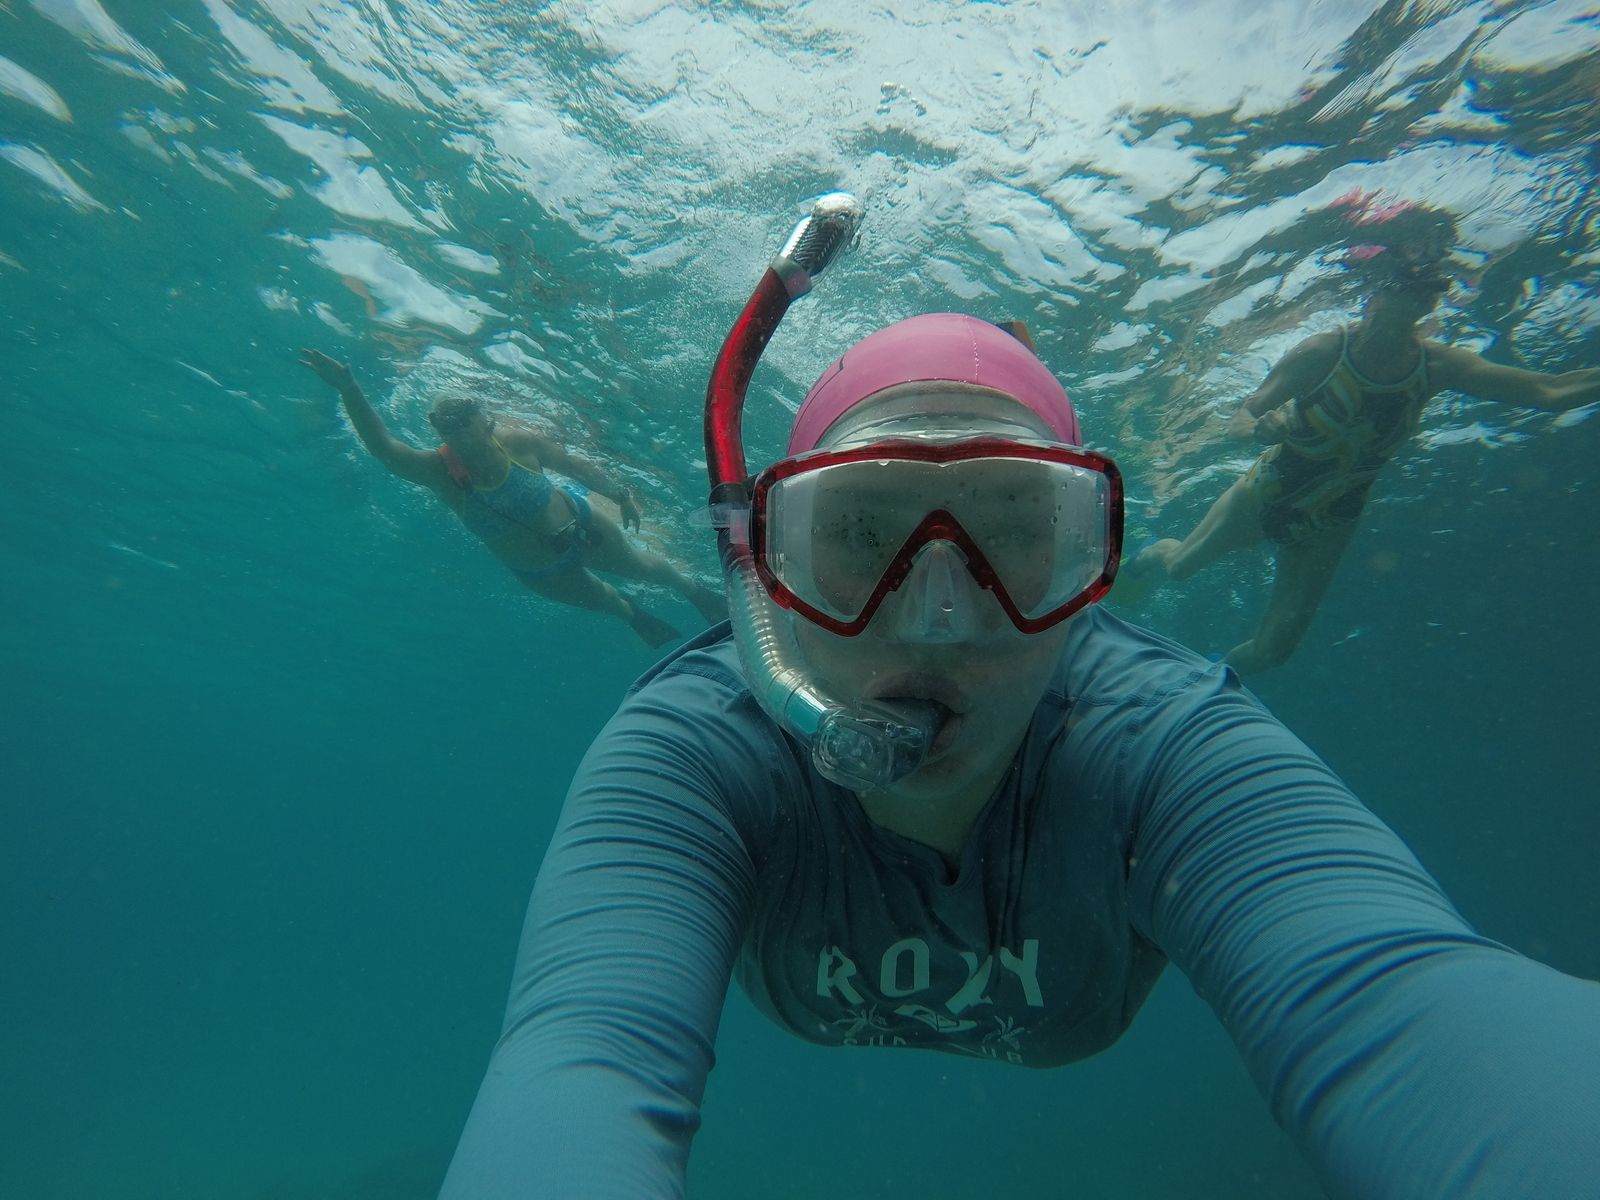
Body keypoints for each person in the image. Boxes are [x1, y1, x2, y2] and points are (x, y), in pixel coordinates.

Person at [438, 311, 1600, 1200]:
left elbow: (1404, 994)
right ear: (765, 573)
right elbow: (580, 1053)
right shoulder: (698, 750)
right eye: (856, 532)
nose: (937, 617)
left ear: (1084, 562)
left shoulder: (1161, 746)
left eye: (1011, 536)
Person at [1119, 200, 1600, 672]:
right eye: (1405, 285)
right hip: (1264, 494)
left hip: (1332, 521)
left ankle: (1196, 687)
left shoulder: (1439, 365)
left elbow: (1549, 391)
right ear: (1372, 291)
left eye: (1425, 289)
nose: (1416, 297)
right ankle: (1144, 562)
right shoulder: (1323, 352)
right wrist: (1258, 429)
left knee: (1274, 651)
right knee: (1180, 567)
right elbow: (1245, 413)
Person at [298, 349, 725, 646]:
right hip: (540, 571)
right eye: (446, 423)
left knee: (643, 565)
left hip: (582, 525)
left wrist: (621, 494)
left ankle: (695, 591)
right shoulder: (438, 472)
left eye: (465, 418)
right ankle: (636, 618)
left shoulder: (518, 442)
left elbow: (573, 464)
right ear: (438, 429)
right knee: (608, 601)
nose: (457, 429)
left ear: (485, 421)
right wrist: (349, 388)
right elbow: (383, 449)